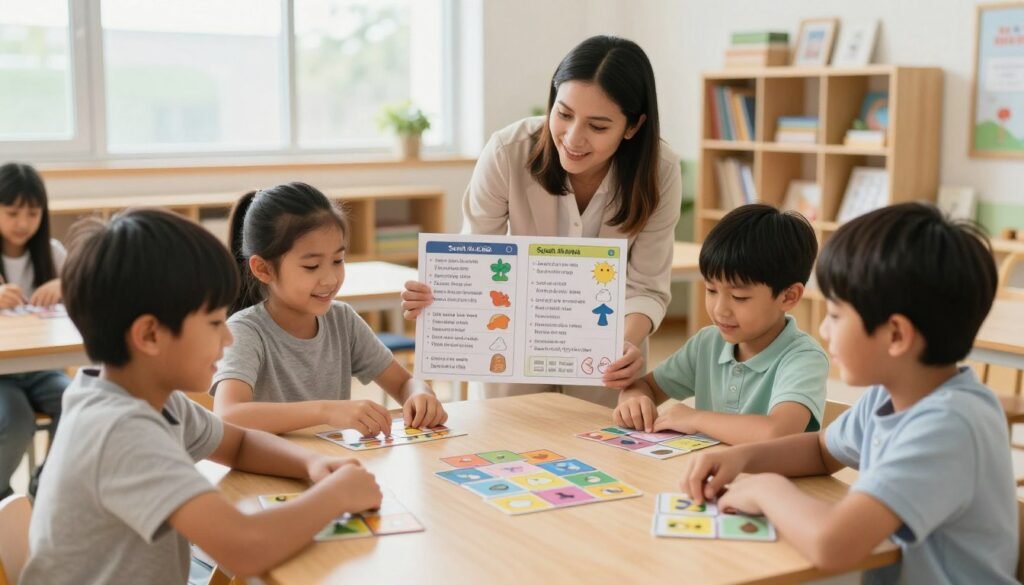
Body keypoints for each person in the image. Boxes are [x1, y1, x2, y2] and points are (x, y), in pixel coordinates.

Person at [22, 209, 383, 583]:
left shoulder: (148, 398)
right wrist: (335, 498)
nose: (227, 339)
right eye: (213, 323)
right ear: (149, 335)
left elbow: (239, 443)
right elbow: (244, 547)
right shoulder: (120, 430)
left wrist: (311, 464)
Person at [679, 203, 1018, 583]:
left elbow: (833, 544)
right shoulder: (891, 394)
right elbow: (822, 451)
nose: (823, 330)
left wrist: (766, 489)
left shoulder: (947, 426)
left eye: (836, 315)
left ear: (896, 335)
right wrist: (742, 458)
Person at [402, 35, 682, 405]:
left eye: (598, 127)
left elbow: (647, 286)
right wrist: (440, 296)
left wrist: (626, 343)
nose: (573, 138)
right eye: (564, 114)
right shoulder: (507, 151)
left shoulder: (659, 170)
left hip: (604, 356)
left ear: (632, 126)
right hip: (511, 349)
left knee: (599, 454)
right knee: (505, 448)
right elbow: (475, 258)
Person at [213, 182, 447, 435]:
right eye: (312, 266)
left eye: (338, 260)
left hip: (331, 465)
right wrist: (326, 411)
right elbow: (228, 414)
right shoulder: (246, 331)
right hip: (268, 470)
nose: (330, 279)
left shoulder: (342, 319)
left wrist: (420, 394)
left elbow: (404, 383)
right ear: (263, 269)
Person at [614, 204, 827, 444]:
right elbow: (646, 386)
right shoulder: (707, 343)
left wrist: (696, 419)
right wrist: (633, 398)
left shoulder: (804, 358)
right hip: (711, 477)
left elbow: (778, 433)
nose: (719, 309)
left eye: (739, 297)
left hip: (773, 480)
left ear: (788, 296)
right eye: (711, 290)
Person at [0, 162, 69, 498]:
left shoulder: (52, 253)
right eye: (12, 212)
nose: (23, 223)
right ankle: (3, 499)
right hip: (2, 373)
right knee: (15, 421)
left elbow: (86, 293)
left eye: (32, 213)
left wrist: (63, 284)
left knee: (74, 402)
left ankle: (44, 487)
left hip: (42, 367)